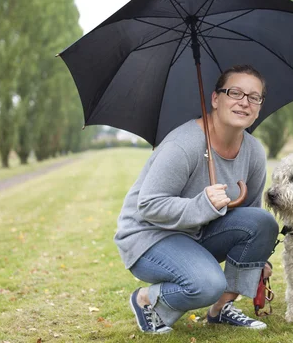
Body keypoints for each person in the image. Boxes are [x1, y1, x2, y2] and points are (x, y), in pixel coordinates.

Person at [114, 64, 279, 333]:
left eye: (254, 97)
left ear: (260, 105)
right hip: (151, 236)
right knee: (207, 284)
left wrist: (257, 259)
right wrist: (200, 205)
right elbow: (148, 205)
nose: (244, 102)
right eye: (235, 93)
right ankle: (148, 300)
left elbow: (251, 216)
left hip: (198, 234)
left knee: (264, 222)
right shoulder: (184, 144)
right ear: (215, 99)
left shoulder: (254, 151)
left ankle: (220, 309)